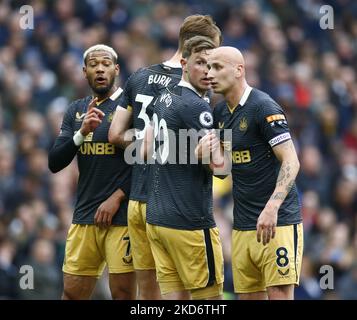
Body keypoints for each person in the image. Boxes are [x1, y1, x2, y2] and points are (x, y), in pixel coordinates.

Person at [108, 15, 222, 300]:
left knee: (149, 293)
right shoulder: (195, 87)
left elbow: (114, 135)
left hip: (138, 201)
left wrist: (153, 147)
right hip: (175, 203)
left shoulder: (140, 76)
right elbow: (212, 158)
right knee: (189, 294)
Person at [206, 46, 303, 300]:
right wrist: (208, 156)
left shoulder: (263, 107)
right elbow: (224, 171)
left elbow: (291, 161)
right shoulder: (219, 114)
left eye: (217, 67)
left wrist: (272, 207)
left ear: (239, 70)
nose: (210, 74)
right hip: (242, 226)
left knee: (279, 295)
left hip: (277, 223)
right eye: (208, 67)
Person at [48, 44, 136, 300]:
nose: (100, 68)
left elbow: (148, 160)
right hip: (85, 216)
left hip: (122, 219)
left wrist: (118, 196)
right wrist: (81, 133)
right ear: (84, 71)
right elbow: (55, 162)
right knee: (72, 294)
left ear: (116, 69)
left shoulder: (130, 109)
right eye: (94, 64)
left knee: (123, 295)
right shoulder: (76, 110)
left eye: (106, 63)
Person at [143, 36, 225, 300]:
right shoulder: (197, 106)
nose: (206, 71)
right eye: (200, 62)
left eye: (212, 65)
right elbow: (221, 168)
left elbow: (146, 150)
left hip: (158, 220)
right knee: (209, 300)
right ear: (183, 63)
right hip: (188, 222)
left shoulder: (163, 97)